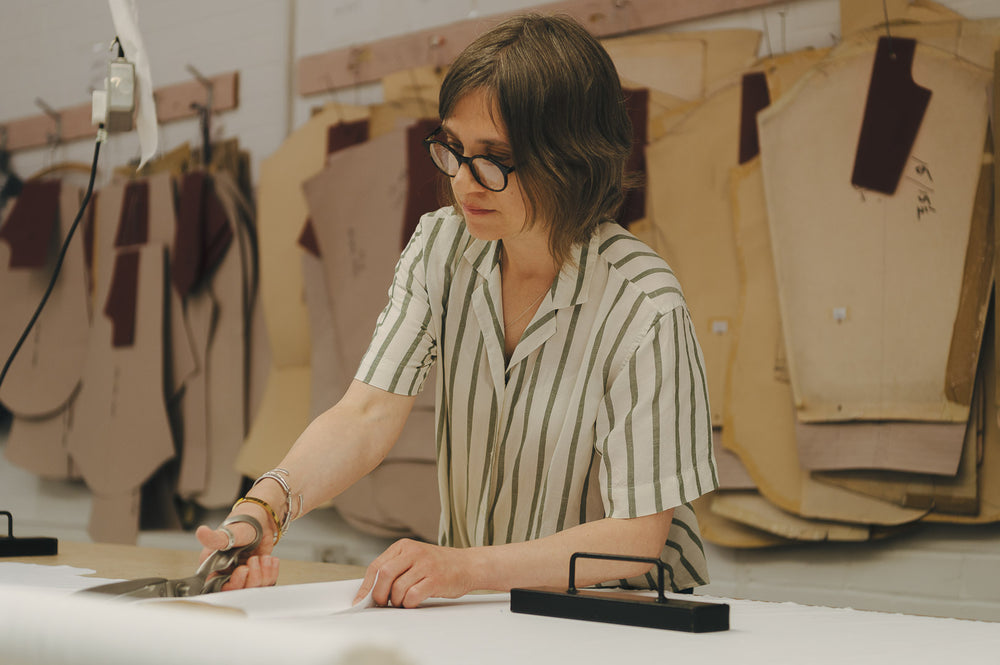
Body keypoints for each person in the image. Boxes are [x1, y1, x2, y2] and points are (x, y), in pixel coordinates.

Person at [197, 12, 717, 609]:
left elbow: (637, 539)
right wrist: (264, 508)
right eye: (453, 149)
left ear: (569, 158)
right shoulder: (442, 246)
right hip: (487, 606)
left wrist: (466, 568)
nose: (464, 182)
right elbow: (366, 414)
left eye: (493, 157)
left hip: (622, 620)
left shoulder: (644, 304)